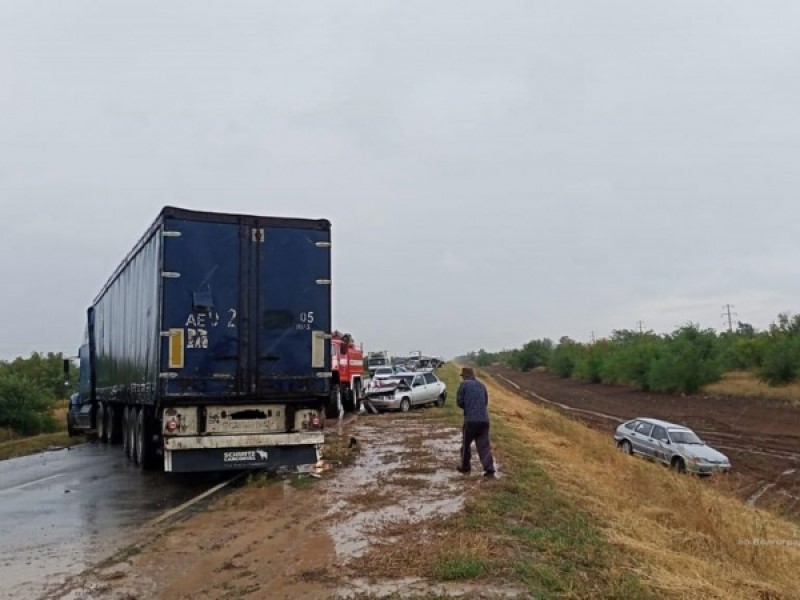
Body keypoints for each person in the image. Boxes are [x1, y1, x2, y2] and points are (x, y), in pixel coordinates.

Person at [456, 367, 496, 477]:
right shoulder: (482, 385)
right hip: (484, 420)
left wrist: (467, 407)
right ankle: (489, 469)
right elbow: (485, 402)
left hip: (471, 420)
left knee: (466, 445)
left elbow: (459, 402)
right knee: (484, 446)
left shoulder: (464, 385)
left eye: (462, 376)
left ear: (465, 376)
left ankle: (465, 467)